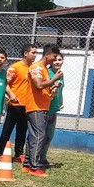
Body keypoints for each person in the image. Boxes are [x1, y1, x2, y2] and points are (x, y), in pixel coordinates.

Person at [24, 46, 63, 177]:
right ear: (47, 55)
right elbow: (39, 85)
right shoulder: (37, 68)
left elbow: (43, 88)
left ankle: (27, 164)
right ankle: (34, 167)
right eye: (53, 57)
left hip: (42, 106)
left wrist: (52, 88)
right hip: (36, 107)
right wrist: (54, 79)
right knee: (39, 135)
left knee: (33, 136)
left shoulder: (45, 70)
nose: (54, 60)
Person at [0, 44, 36, 160]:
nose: (35, 55)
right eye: (33, 53)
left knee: (22, 130)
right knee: (7, 129)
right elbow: (5, 83)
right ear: (25, 53)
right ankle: (1, 153)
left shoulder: (34, 68)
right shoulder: (15, 67)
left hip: (27, 105)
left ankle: (19, 154)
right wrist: (11, 95)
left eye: (36, 53)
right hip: (15, 105)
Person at [43, 53, 65, 166]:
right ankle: (34, 158)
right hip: (44, 108)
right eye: (55, 60)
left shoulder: (61, 74)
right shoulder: (47, 73)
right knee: (41, 135)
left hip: (54, 109)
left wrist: (61, 101)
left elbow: (60, 89)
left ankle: (43, 158)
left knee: (49, 135)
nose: (57, 62)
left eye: (60, 60)